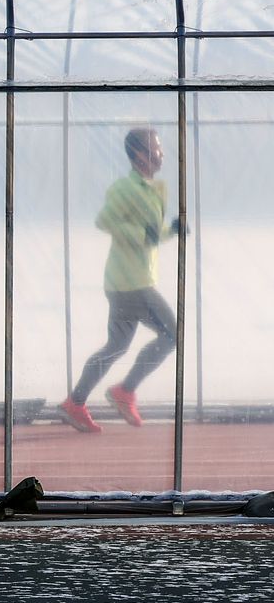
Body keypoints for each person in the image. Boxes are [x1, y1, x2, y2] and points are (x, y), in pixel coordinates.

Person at [60, 127, 183, 433]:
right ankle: (124, 391)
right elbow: (104, 221)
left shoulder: (148, 187)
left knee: (116, 345)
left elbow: (148, 237)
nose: (161, 153)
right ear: (139, 154)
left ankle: (75, 402)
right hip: (132, 283)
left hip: (126, 281)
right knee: (172, 334)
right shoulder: (125, 188)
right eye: (156, 148)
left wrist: (171, 231)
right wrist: (143, 234)